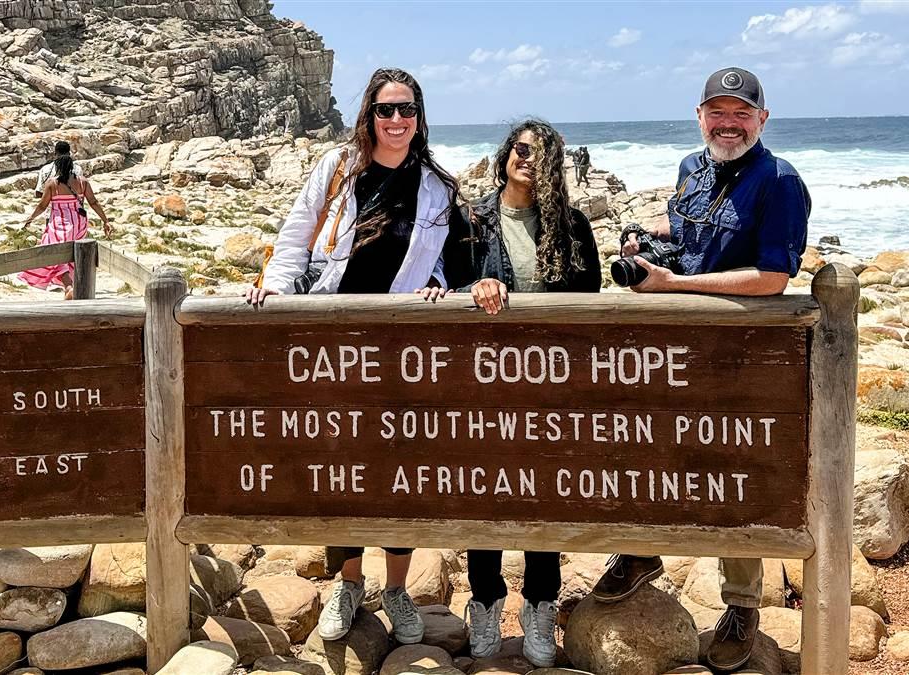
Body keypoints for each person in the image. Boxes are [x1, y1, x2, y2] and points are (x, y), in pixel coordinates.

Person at [590, 66, 809, 672]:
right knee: (643, 448)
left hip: (738, 354)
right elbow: (688, 227)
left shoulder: (780, 182)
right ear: (700, 116)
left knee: (730, 472)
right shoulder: (692, 167)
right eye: (718, 112)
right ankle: (641, 551)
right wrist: (646, 238)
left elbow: (773, 278)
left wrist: (673, 285)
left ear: (762, 119)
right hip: (673, 350)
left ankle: (741, 604)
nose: (728, 124)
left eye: (741, 113)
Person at [244, 67, 460, 644]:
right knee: (341, 464)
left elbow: (442, 259)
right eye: (386, 110)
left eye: (407, 109)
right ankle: (349, 583)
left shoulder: (436, 185)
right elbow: (296, 236)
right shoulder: (338, 168)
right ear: (369, 116)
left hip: (398, 345)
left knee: (402, 465)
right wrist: (276, 288)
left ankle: (397, 588)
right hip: (334, 340)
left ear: (420, 117)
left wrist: (437, 284)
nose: (397, 120)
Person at [430, 120, 600, 666]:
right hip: (482, 383)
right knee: (484, 490)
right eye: (522, 149)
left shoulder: (571, 226)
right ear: (506, 154)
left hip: (549, 384)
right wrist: (471, 289)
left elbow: (591, 301)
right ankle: (484, 601)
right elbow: (441, 282)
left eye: (542, 153)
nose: (529, 159)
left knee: (542, 493)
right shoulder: (471, 220)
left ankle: (541, 604)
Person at [19, 154, 112, 299]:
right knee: (72, 255)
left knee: (53, 253)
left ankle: (69, 287)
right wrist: (105, 221)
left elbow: (42, 205)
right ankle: (72, 288)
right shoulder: (82, 182)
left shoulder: (52, 184)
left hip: (60, 223)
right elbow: (93, 202)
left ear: (57, 167)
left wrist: (30, 218)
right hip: (79, 223)